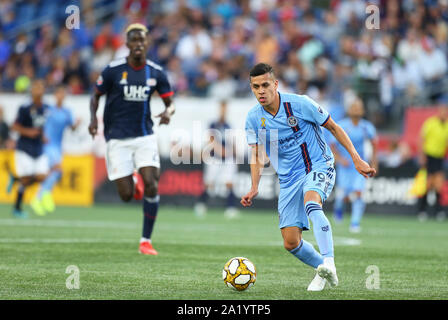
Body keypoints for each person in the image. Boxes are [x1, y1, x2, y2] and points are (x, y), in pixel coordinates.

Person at [241, 63, 376, 291]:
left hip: (318, 165)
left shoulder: (300, 104)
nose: (261, 91)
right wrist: (254, 185)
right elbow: (256, 153)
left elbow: (333, 127)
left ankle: (330, 263)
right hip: (289, 180)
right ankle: (322, 269)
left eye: (265, 85)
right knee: (290, 242)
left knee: (312, 201)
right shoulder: (253, 118)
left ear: (275, 84)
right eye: (255, 87)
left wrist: (356, 158)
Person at [88, 23, 175, 255]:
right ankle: (134, 182)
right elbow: (95, 96)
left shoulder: (156, 72)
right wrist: (93, 119)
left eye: (142, 40)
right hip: (116, 138)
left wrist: (168, 112)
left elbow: (170, 103)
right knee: (126, 196)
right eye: (133, 40)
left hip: (144, 135)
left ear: (147, 43)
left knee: (152, 183)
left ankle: (145, 240)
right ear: (127, 45)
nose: (138, 44)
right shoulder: (112, 70)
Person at [30, 85, 80, 215]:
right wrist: (41, 135)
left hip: (57, 146)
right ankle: (44, 195)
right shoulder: (48, 109)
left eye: (63, 93)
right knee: (58, 170)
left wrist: (77, 124)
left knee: (54, 173)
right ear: (55, 95)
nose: (61, 96)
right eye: (59, 93)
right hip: (47, 145)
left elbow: (72, 127)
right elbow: (38, 122)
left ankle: (39, 197)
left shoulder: (67, 112)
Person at [329, 97, 378, 233]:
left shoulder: (367, 127)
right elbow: (332, 144)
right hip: (345, 166)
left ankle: (355, 223)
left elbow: (374, 144)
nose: (356, 109)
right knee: (343, 195)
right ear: (349, 110)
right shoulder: (341, 126)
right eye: (354, 106)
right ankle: (338, 211)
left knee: (358, 192)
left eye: (359, 107)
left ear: (363, 111)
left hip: (360, 166)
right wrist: (338, 158)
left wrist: (374, 162)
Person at [9, 79, 50, 218]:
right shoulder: (24, 108)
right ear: (31, 90)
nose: (39, 90)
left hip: (39, 148)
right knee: (25, 180)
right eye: (36, 87)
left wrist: (43, 136)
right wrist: (29, 132)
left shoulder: (46, 108)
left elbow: (41, 126)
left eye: (41, 87)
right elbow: (14, 126)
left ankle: (15, 179)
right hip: (25, 148)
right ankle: (17, 208)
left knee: (42, 176)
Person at [194, 100, 239, 219]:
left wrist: (234, 154)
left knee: (229, 183)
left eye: (225, 108)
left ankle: (231, 208)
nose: (224, 111)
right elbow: (211, 140)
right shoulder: (213, 124)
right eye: (222, 108)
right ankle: (201, 204)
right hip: (215, 158)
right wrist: (221, 150)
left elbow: (232, 142)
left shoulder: (228, 125)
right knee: (209, 184)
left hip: (227, 159)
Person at [417, 105, 448, 222]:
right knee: (428, 185)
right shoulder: (430, 123)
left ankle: (438, 211)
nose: (444, 114)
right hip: (429, 156)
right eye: (442, 111)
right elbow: (421, 139)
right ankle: (422, 210)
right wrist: (422, 156)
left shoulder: (447, 126)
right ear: (438, 112)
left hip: (439, 158)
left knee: (439, 185)